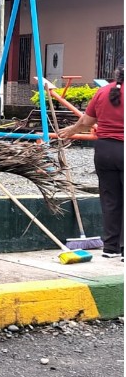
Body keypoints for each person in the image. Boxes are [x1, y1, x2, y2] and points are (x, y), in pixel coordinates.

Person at [58, 64, 124, 259]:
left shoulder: (102, 92)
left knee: (110, 200)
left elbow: (87, 122)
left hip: (104, 151)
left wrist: (71, 130)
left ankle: (111, 248)